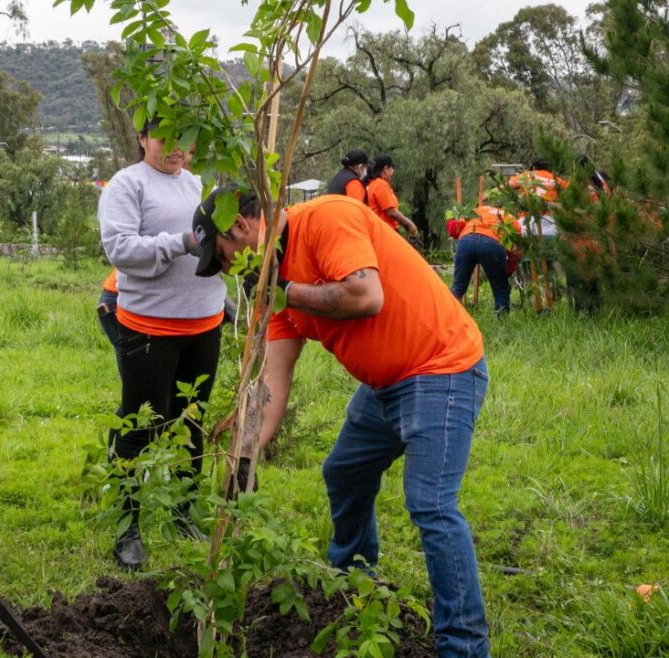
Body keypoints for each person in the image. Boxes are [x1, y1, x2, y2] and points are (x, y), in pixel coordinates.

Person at [192, 193, 491, 658]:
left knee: (430, 502)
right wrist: (245, 454)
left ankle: (464, 646)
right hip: (385, 384)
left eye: (224, 258)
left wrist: (285, 289)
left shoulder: (326, 220)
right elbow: (274, 378)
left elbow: (366, 296)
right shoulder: (277, 289)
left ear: (243, 228)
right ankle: (353, 583)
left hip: (441, 367)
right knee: (345, 472)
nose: (230, 272)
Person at [97, 117, 226, 570]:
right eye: (164, 137)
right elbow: (121, 250)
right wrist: (182, 242)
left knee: (192, 422)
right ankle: (126, 525)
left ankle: (183, 510)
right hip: (149, 328)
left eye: (184, 138)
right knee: (141, 425)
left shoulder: (199, 186)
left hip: (205, 326)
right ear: (142, 139)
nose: (175, 147)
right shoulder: (127, 185)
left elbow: (221, 243)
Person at [450, 204, 522, 314]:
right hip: (492, 243)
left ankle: (445, 316)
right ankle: (502, 324)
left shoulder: (478, 210)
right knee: (500, 289)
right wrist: (509, 269)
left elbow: (454, 229)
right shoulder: (510, 217)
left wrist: (450, 218)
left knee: (458, 287)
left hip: (466, 240)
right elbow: (517, 248)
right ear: (502, 207)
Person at [365, 154, 418, 237]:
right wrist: (409, 224)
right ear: (386, 169)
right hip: (386, 231)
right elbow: (391, 212)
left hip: (378, 230)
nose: (393, 173)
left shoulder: (372, 184)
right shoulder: (380, 185)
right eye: (392, 168)